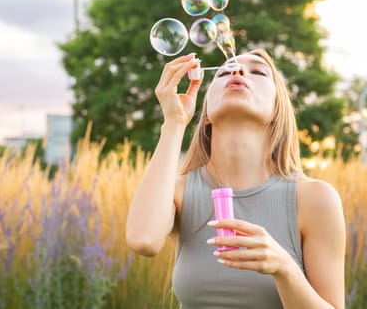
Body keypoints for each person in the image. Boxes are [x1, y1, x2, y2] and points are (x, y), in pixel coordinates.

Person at [126, 49, 346, 308]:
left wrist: (284, 268)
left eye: (259, 71)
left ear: (277, 110)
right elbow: (143, 240)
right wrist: (174, 122)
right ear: (206, 114)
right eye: (223, 72)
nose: (237, 71)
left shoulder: (315, 199)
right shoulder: (179, 191)